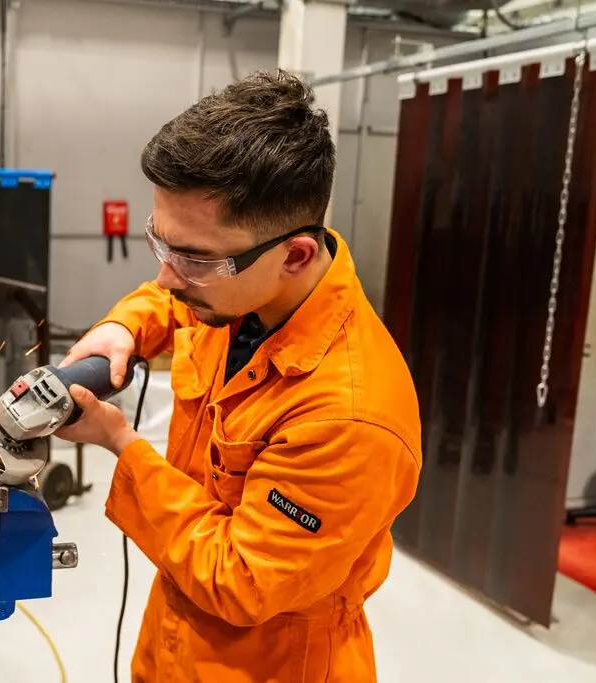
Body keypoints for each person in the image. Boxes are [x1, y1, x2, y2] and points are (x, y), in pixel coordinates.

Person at [56, 69, 422, 683]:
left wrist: (121, 443)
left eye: (192, 257)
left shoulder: (350, 416)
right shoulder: (238, 290)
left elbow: (240, 581)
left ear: (296, 254)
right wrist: (126, 327)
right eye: (160, 243)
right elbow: (173, 299)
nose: (169, 276)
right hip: (174, 636)